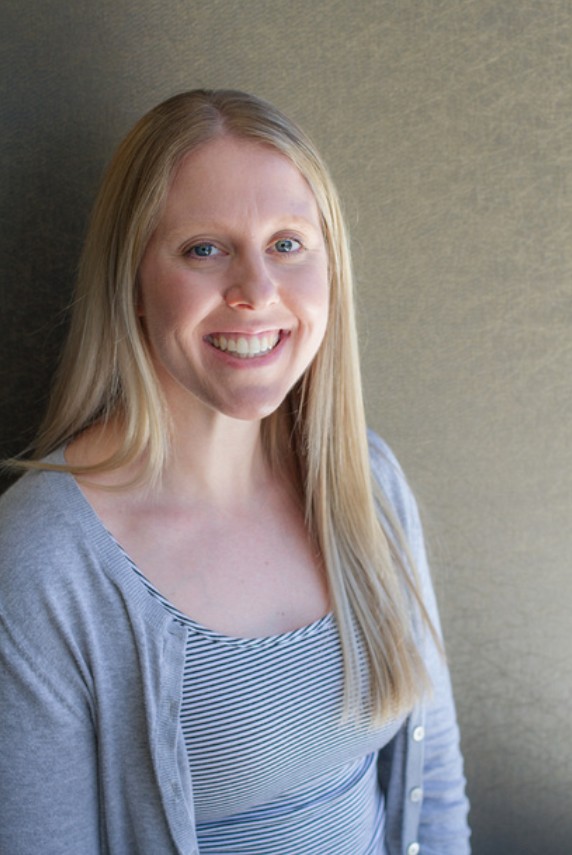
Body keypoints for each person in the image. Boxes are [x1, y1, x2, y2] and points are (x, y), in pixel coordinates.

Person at [0, 90, 470, 855]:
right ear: (133, 284)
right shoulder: (44, 561)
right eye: (204, 248)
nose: (257, 290)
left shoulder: (367, 480)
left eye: (288, 243)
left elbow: (438, 792)